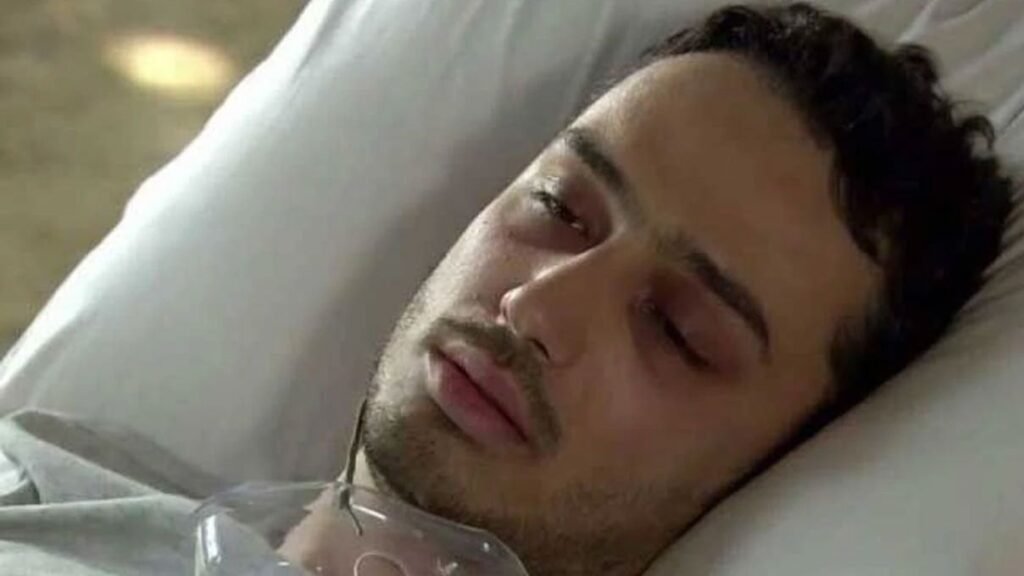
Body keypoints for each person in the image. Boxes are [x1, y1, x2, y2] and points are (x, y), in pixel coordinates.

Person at [0, 3, 1013, 576]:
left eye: (677, 330)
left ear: (780, 468)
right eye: (561, 209)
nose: (536, 308)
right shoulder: (46, 479)